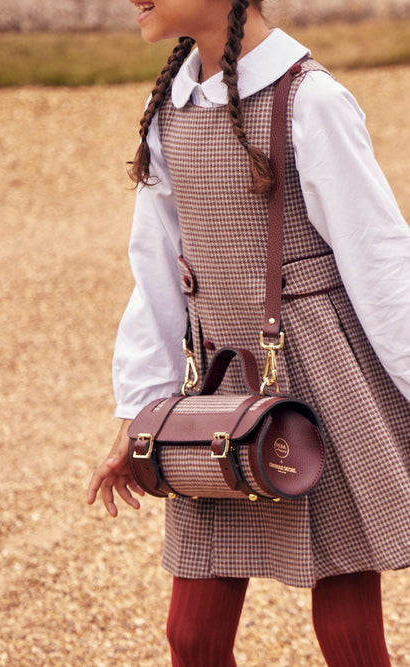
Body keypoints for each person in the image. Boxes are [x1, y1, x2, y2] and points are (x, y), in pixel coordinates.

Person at [87, 1, 410, 664]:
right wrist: (139, 407)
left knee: (349, 635)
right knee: (194, 636)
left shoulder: (309, 100)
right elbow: (154, 270)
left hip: (324, 384)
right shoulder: (169, 112)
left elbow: (380, 262)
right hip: (215, 390)